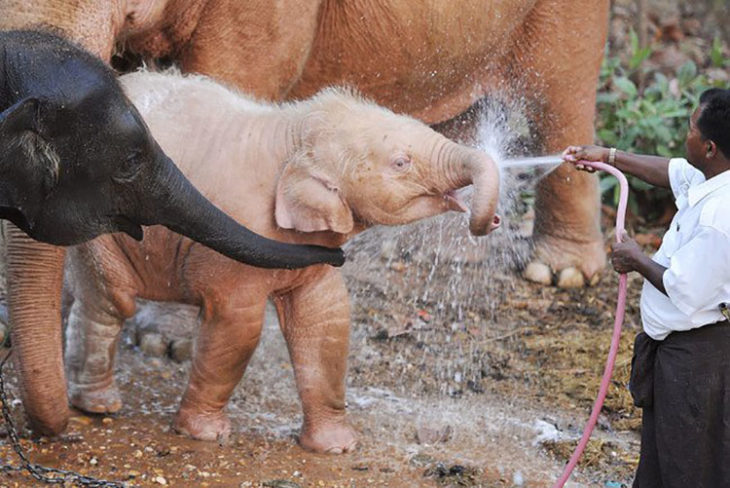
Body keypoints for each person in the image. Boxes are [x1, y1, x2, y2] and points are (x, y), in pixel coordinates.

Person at [562, 87, 730, 487]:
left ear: (708, 146)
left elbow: (684, 289)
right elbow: (670, 171)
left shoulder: (718, 218)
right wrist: (609, 157)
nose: (684, 133)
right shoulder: (712, 177)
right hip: (678, 349)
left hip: (698, 357)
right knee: (660, 459)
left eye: (690, 127)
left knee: (688, 465)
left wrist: (636, 258)